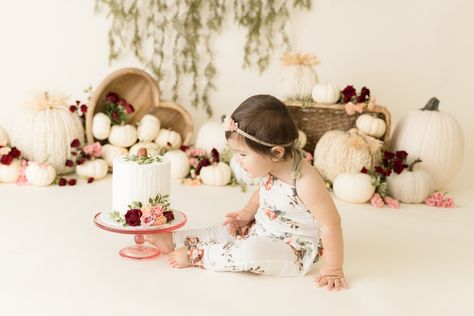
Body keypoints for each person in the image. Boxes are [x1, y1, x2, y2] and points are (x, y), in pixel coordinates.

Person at [148, 94, 349, 291]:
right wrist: (248, 212)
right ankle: (174, 240)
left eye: (243, 154)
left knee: (249, 252)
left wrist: (333, 268)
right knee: (225, 229)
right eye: (236, 153)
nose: (238, 160)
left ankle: (198, 255)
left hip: (290, 249)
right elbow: (264, 192)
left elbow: (331, 224)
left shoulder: (305, 182)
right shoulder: (273, 165)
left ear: (276, 153)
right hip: (261, 229)